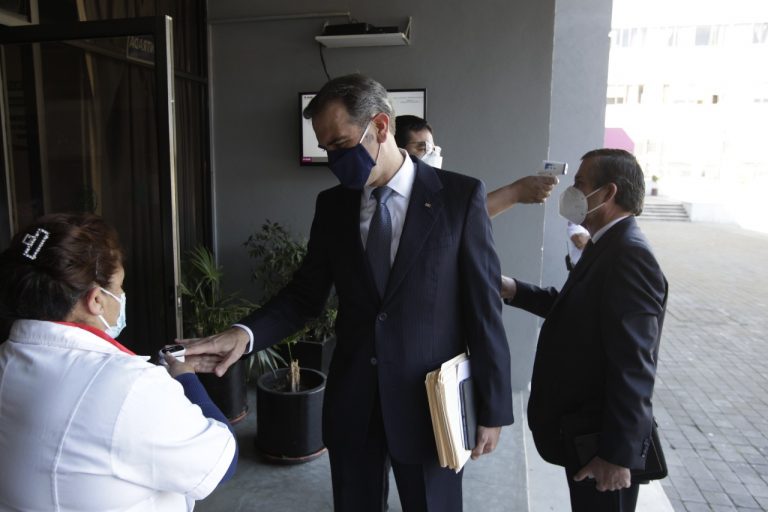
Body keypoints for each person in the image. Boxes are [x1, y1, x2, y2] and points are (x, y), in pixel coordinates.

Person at [183, 74, 514, 511]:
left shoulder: (459, 197)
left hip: (430, 407)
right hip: (354, 402)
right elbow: (304, 296)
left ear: (380, 126)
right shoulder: (333, 205)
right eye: (326, 149)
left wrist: (492, 407)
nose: (334, 159)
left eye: (340, 144)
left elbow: (483, 308)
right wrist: (243, 335)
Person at [0, 213, 237, 512]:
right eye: (121, 286)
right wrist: (186, 377)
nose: (123, 296)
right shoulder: (129, 387)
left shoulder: (7, 359)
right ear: (96, 300)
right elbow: (222, 462)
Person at [501, 149, 668, 512]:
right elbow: (576, 310)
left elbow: (634, 364)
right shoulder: (606, 244)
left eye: (580, 184)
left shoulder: (629, 255)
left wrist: (617, 455)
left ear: (607, 193)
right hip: (585, 434)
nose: (571, 191)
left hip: (602, 446)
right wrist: (512, 288)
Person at [394, 114, 559, 217]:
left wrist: (517, 192)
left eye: (434, 149)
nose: (432, 155)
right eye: (422, 148)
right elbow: (462, 217)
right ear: (398, 150)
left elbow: (469, 215)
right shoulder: (387, 196)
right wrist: (516, 192)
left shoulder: (435, 190)